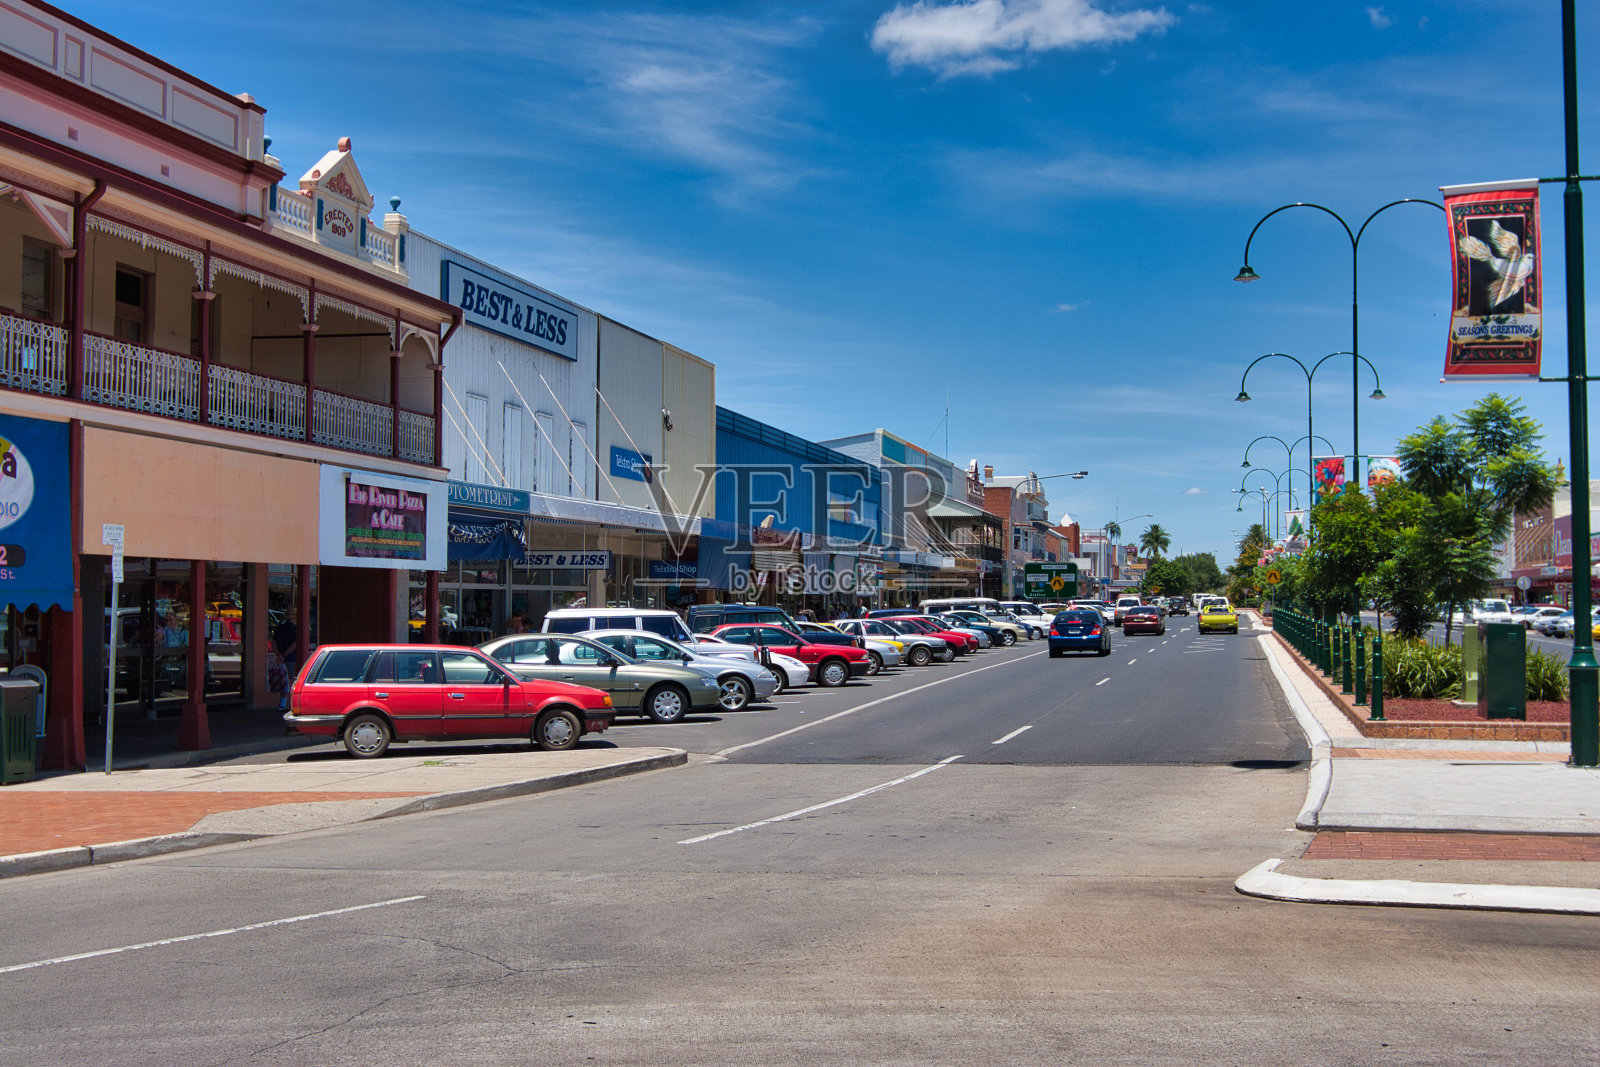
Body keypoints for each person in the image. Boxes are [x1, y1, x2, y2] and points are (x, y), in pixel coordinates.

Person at [272, 617, 299, 712]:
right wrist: (284, 655)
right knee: (291, 681)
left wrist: (279, 655)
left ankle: (282, 703)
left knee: (283, 681)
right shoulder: (295, 629)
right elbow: (294, 645)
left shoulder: (279, 628)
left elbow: (273, 643)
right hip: (291, 659)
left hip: (281, 659)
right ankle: (291, 704)